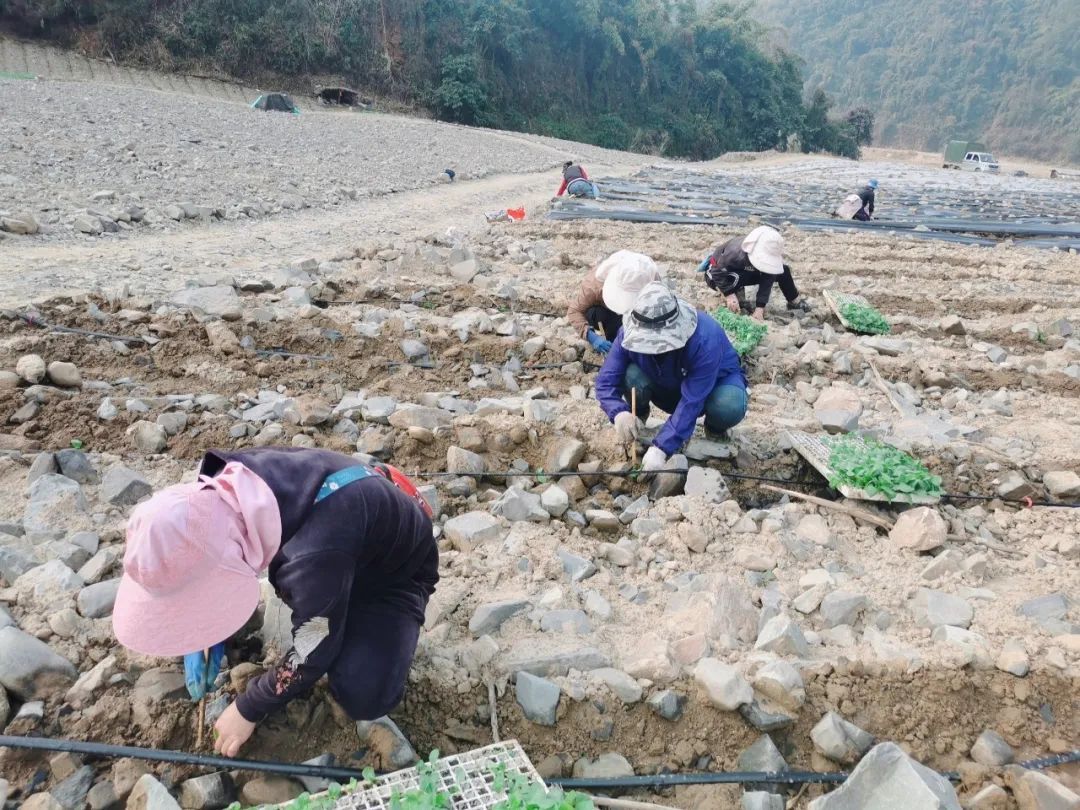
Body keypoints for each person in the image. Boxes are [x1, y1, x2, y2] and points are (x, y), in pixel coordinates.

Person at [112, 447, 438, 758]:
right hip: (346, 529)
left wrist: (249, 708)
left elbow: (312, 651)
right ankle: (357, 544)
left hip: (392, 576)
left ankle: (388, 496)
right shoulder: (219, 488)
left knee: (362, 695)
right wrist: (201, 626)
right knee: (319, 593)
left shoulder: (312, 555)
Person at [596, 282, 748, 471]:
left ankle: (715, 429)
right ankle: (637, 419)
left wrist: (661, 448)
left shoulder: (705, 338)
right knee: (631, 375)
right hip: (663, 382)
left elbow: (693, 400)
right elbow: (605, 381)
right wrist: (618, 412)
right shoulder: (627, 332)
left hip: (712, 387)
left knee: (729, 404)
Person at [697, 225, 810, 321]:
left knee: (783, 271)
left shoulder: (769, 255)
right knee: (736, 291)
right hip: (717, 274)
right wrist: (729, 294)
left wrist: (760, 308)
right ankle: (736, 294)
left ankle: (794, 301)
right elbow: (716, 271)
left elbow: (768, 279)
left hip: (746, 271)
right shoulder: (735, 253)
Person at [566, 250, 662, 354]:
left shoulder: (649, 274)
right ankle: (615, 342)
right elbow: (574, 311)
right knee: (597, 314)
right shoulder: (594, 284)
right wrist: (589, 335)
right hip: (608, 313)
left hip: (640, 311)